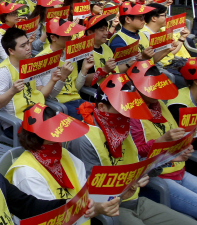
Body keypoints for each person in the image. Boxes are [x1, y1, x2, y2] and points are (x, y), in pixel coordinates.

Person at [69, 76, 197, 225]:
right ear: (102, 108)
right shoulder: (84, 139)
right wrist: (129, 185)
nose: (128, 115)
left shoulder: (123, 126)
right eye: (122, 108)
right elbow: (93, 194)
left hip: (136, 201)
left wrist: (166, 158)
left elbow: (137, 166)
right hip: (112, 208)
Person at [7, 104, 121, 217]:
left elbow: (85, 194)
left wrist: (100, 205)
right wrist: (95, 208)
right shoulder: (27, 173)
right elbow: (48, 214)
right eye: (50, 128)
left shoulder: (65, 154)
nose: (57, 130)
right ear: (34, 135)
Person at [126, 60, 197, 219]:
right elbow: (138, 154)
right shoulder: (131, 114)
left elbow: (175, 137)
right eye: (150, 89)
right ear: (136, 88)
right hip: (158, 176)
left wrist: (184, 147)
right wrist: (162, 140)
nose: (155, 93)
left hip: (179, 169)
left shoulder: (160, 105)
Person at [0, 27, 64, 138]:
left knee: (62, 127)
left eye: (28, 43)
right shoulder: (2, 72)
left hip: (38, 114)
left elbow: (40, 94)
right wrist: (12, 91)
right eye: (23, 46)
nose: (28, 48)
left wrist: (53, 80)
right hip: (15, 122)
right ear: (11, 51)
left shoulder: (30, 65)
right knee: (51, 134)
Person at [35, 18, 90, 119]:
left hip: (77, 101)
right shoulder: (43, 59)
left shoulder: (69, 54)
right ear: (53, 37)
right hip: (60, 105)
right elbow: (49, 96)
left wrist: (84, 70)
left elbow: (75, 88)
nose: (70, 37)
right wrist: (63, 77)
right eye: (66, 35)